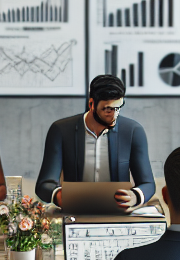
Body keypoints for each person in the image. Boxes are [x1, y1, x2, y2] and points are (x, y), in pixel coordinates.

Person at [36, 74, 155, 211]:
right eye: (108, 109)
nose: (114, 115)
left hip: (117, 215)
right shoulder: (61, 130)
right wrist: (58, 195)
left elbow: (148, 184)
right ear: (92, 104)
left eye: (118, 108)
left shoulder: (133, 131)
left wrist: (134, 196)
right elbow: (43, 185)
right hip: (75, 215)